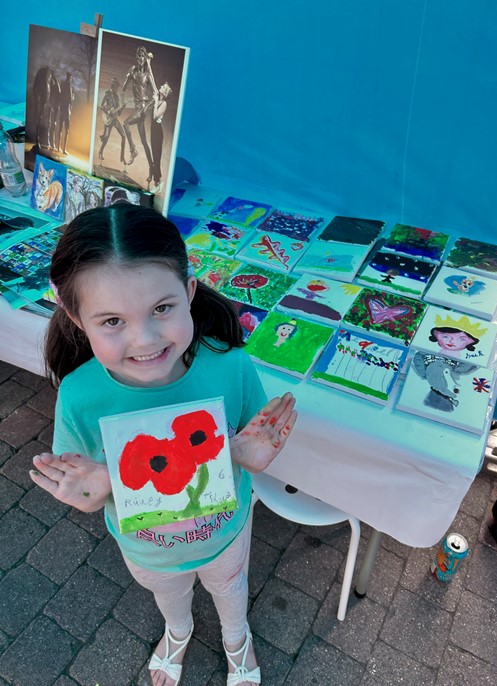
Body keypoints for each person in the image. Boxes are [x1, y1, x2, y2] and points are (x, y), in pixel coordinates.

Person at [29, 204, 297, 686]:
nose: (145, 339)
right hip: (148, 549)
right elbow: (92, 492)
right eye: (112, 321)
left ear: (189, 291)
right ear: (74, 316)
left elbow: (248, 442)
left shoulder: (229, 366)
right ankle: (179, 630)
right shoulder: (80, 395)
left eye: (162, 308)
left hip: (225, 532)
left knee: (231, 586)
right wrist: (91, 489)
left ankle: (238, 639)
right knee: (169, 596)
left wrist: (244, 456)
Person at [122, 45, 157, 174]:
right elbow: (124, 88)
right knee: (144, 141)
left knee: (125, 123)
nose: (140, 58)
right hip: (136, 107)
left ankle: (133, 150)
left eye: (143, 56)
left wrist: (146, 107)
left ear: (145, 57)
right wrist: (127, 77)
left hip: (142, 108)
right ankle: (151, 167)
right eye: (139, 56)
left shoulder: (148, 75)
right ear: (136, 58)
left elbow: (156, 94)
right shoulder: (133, 70)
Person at [150, 81, 172, 195]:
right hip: (153, 131)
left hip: (157, 132)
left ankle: (157, 183)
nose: (160, 87)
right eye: (162, 85)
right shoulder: (158, 98)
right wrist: (148, 63)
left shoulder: (163, 103)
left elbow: (155, 116)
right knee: (155, 158)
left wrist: (155, 102)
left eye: (163, 87)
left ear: (165, 92)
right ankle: (158, 181)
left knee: (156, 159)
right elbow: (152, 79)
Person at [98, 77, 126, 165]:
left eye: (117, 87)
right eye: (116, 86)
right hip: (108, 118)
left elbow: (118, 112)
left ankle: (122, 156)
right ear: (113, 86)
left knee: (124, 136)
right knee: (106, 137)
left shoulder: (117, 97)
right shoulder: (107, 94)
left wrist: (122, 108)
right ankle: (100, 151)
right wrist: (107, 111)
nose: (117, 89)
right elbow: (101, 105)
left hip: (114, 118)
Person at [57, 71, 74, 155]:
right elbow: (70, 99)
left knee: (59, 128)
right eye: (71, 78)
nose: (71, 80)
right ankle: (63, 149)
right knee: (66, 129)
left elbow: (59, 96)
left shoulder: (62, 85)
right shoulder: (69, 86)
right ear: (70, 78)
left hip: (61, 109)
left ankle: (58, 147)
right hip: (66, 109)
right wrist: (72, 98)